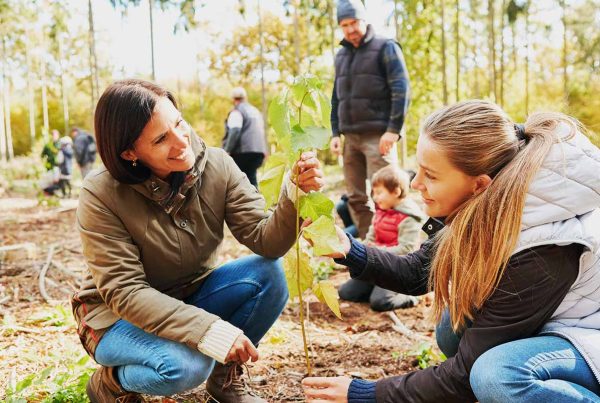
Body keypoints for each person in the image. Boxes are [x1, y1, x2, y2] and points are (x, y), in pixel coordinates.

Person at [302, 100, 600, 402]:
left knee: (497, 375)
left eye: (430, 175)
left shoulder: (544, 245)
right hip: (553, 321)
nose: (416, 184)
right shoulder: (485, 201)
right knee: (452, 328)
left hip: (588, 338)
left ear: (478, 184)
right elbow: (418, 271)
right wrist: (348, 249)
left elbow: (463, 375)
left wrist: (366, 393)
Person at [71, 79, 324, 402]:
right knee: (184, 367)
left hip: (189, 296)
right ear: (129, 153)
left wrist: (294, 193)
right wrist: (208, 331)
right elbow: (125, 291)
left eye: (179, 123)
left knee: (269, 275)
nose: (181, 142)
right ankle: (111, 383)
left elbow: (266, 240)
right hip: (115, 318)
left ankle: (224, 380)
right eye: (162, 139)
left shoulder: (217, 164)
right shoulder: (100, 193)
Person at [330, 0, 410, 239]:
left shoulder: (385, 47)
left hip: (379, 136)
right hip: (350, 138)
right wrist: (335, 132)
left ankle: (396, 251)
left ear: (364, 20)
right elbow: (337, 97)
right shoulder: (341, 55)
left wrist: (393, 129)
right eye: (344, 24)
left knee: (388, 194)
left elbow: (401, 88)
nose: (350, 29)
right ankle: (370, 251)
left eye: (354, 22)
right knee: (355, 197)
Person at [338, 165, 424, 311]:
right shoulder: (380, 211)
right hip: (376, 264)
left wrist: (376, 250)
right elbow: (370, 237)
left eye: (379, 192)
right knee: (346, 293)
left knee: (380, 302)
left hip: (396, 269)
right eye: (374, 193)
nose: (375, 197)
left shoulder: (409, 218)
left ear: (396, 192)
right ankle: (374, 288)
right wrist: (356, 253)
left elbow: (406, 249)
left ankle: (411, 297)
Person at [222, 87, 268, 187]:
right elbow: (261, 131)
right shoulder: (255, 111)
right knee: (251, 178)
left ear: (233, 99)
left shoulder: (237, 111)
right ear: (245, 98)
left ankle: (243, 201)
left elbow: (235, 131)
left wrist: (226, 150)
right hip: (258, 152)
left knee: (238, 181)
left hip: (243, 152)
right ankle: (256, 201)